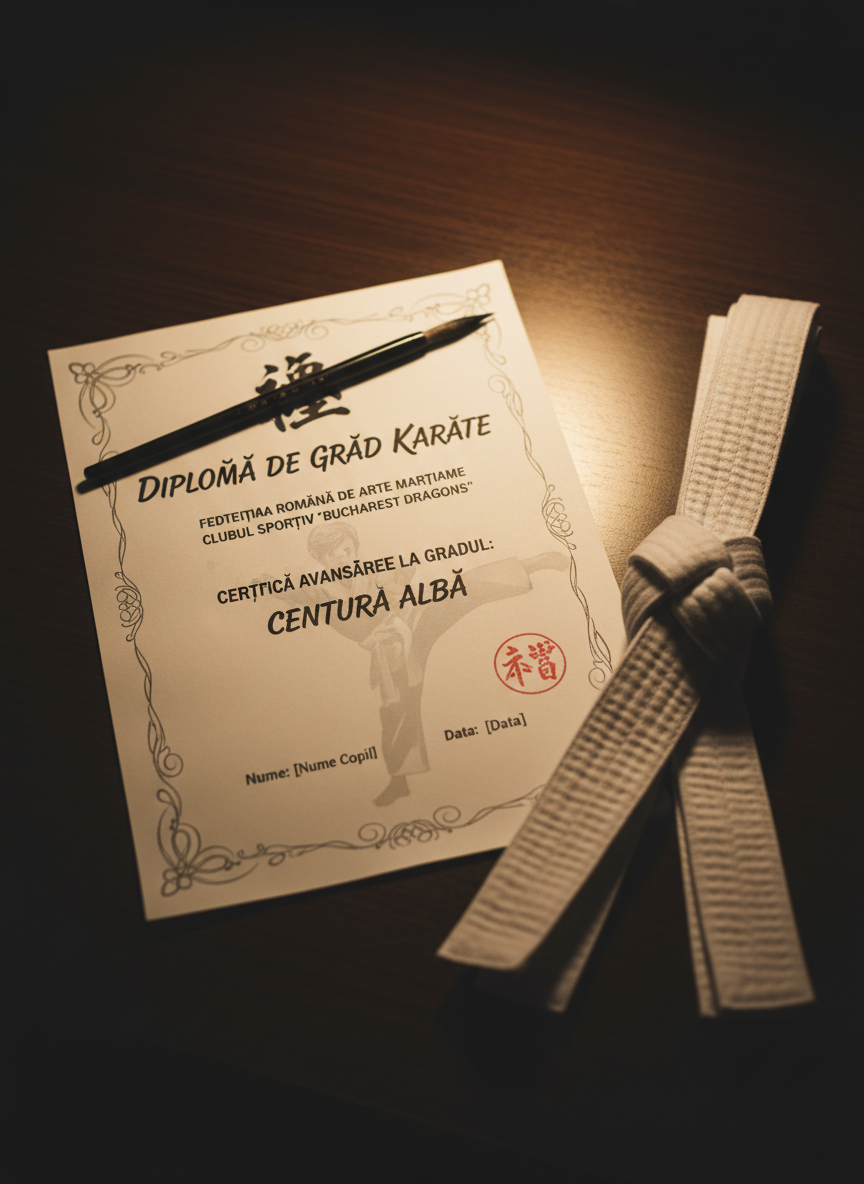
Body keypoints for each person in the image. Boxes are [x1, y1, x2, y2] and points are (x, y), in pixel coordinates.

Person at [284, 523, 567, 806]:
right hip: (389, 648)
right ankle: (399, 780)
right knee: (395, 707)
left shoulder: (375, 571)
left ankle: (531, 565)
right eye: (332, 555)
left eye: (346, 551)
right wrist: (275, 587)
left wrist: (395, 586)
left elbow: (405, 573)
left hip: (417, 618)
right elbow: (307, 602)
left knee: (459, 590)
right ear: (318, 557)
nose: (342, 559)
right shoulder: (320, 591)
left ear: (355, 548)